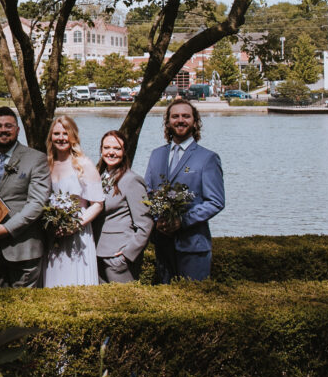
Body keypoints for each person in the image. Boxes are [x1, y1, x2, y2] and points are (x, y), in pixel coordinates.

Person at [0, 107, 50, 288]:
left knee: (24, 310)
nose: (3, 130)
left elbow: (37, 203)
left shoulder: (36, 159)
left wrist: (7, 228)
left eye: (8, 126)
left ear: (17, 129)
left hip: (23, 248)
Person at [144, 99, 225, 282]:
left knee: (194, 304)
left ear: (195, 122)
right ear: (168, 122)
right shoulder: (157, 154)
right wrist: (157, 220)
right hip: (162, 244)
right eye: (175, 116)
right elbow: (148, 193)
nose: (180, 120)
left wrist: (182, 221)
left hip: (193, 247)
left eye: (186, 116)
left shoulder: (207, 158)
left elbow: (216, 201)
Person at [42, 116, 104, 288]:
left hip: (79, 233)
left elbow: (98, 203)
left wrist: (75, 225)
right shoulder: (47, 164)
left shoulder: (83, 164)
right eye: (56, 134)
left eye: (65, 133)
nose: (61, 138)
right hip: (54, 234)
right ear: (51, 137)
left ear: (73, 136)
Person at [96, 130, 152, 283]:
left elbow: (145, 224)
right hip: (98, 253)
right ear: (101, 150)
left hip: (118, 258)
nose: (111, 152)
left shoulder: (132, 180)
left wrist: (127, 254)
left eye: (117, 148)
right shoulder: (99, 178)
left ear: (124, 151)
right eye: (107, 148)